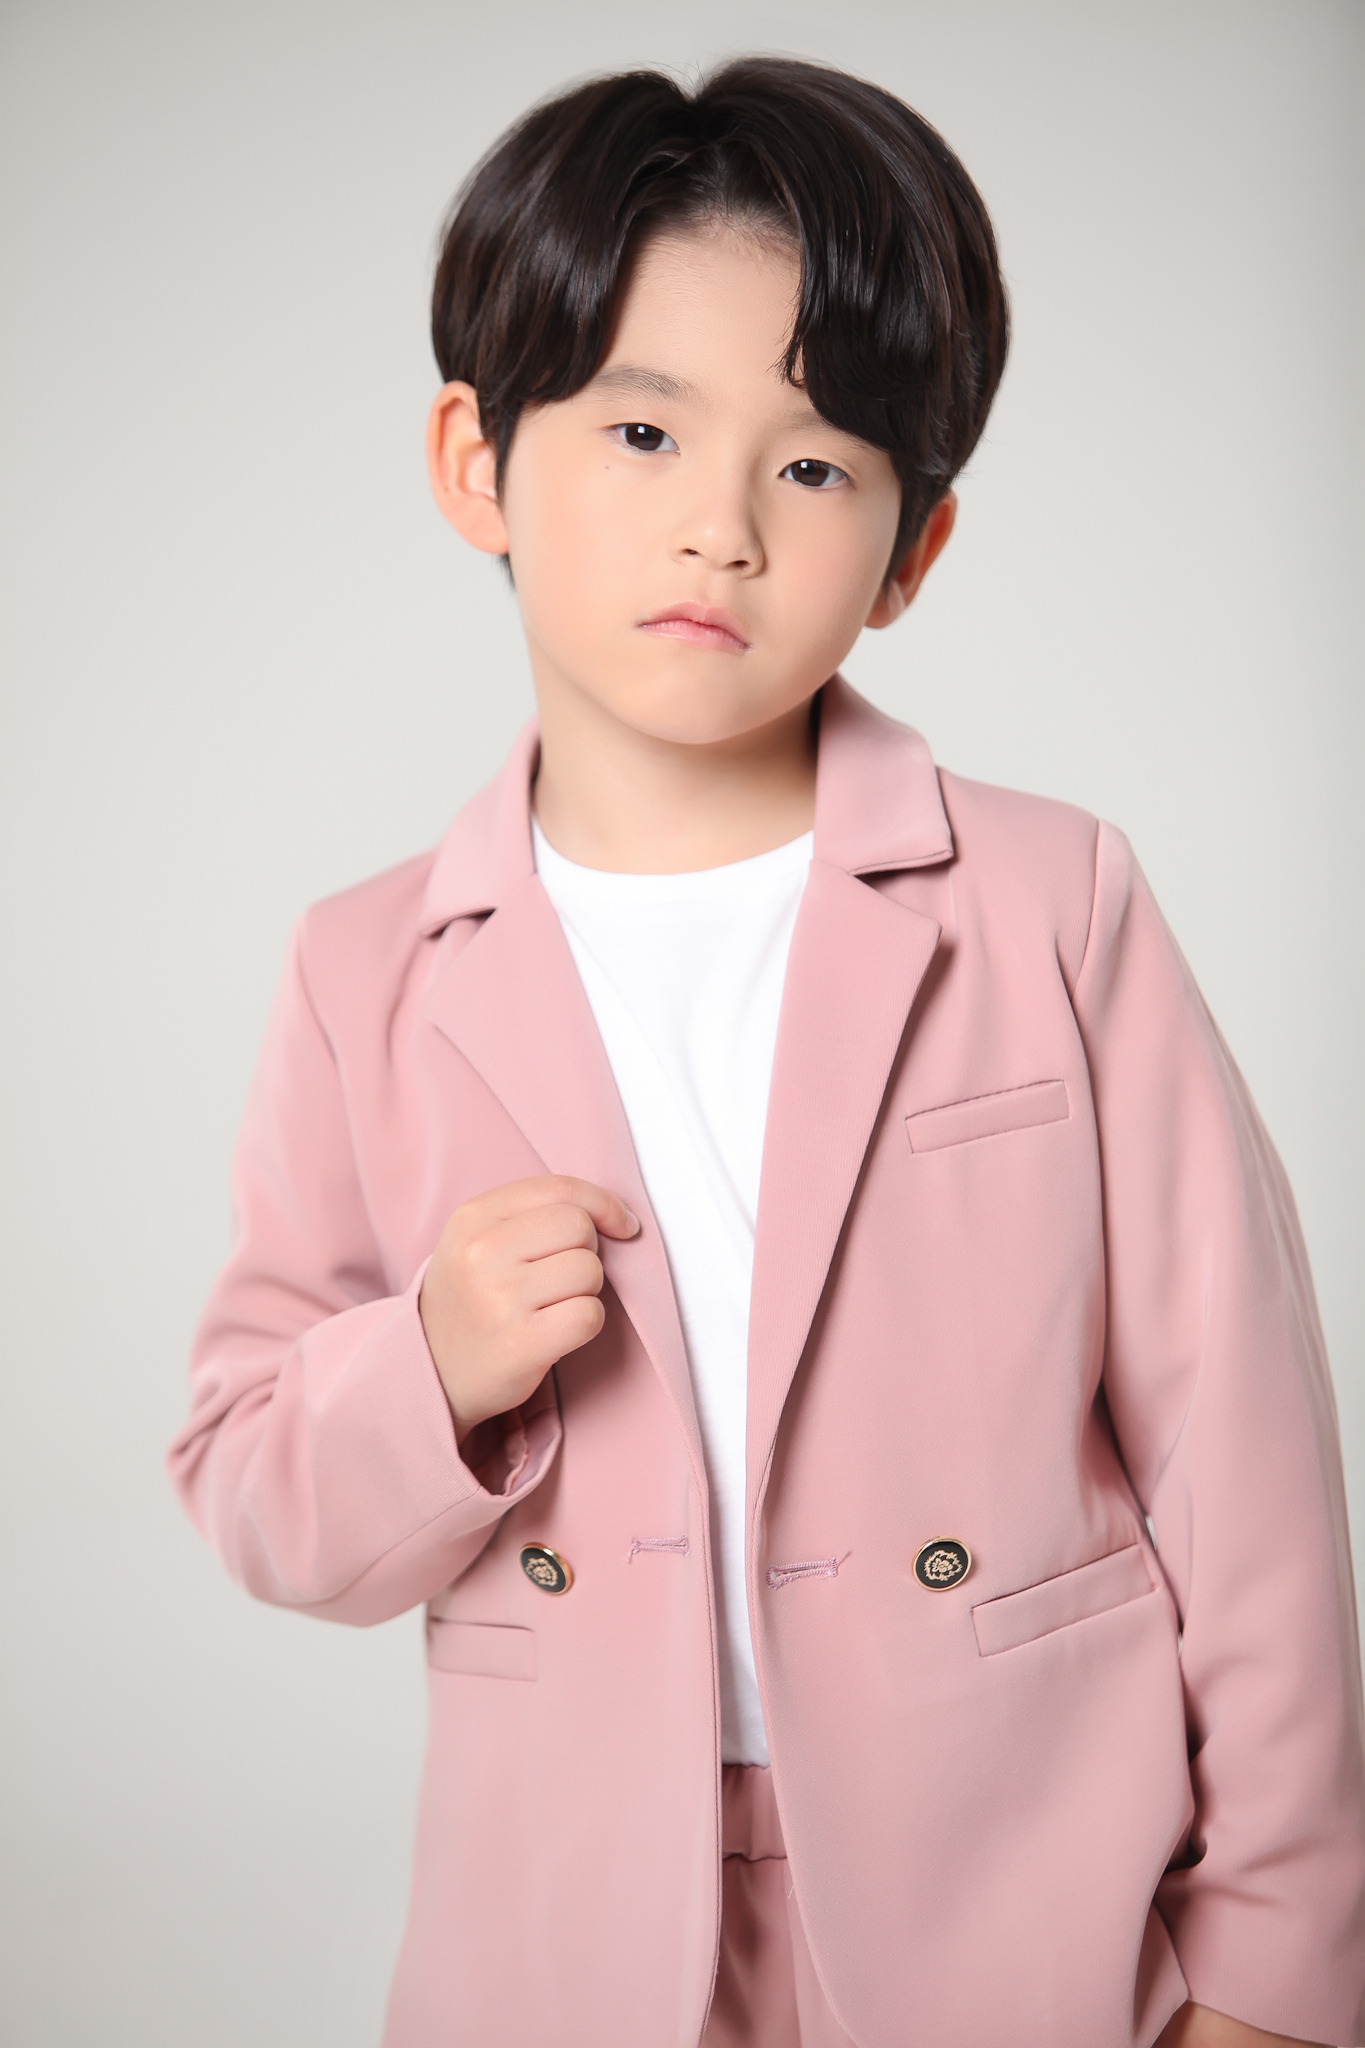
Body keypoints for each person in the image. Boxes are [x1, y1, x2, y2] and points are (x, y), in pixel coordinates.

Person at [167, 57, 1365, 2048]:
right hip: (565, 1927)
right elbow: (251, 1485)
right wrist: (431, 1365)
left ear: (912, 548)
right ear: (475, 460)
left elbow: (1241, 1459)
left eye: (812, 468)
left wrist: (1275, 1964)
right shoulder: (364, 967)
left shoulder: (1049, 899)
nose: (716, 527)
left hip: (1026, 1891)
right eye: (641, 429)